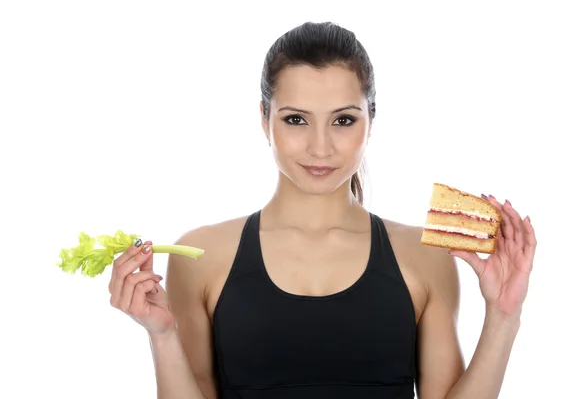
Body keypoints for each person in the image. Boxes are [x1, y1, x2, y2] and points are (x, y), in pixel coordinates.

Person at [107, 21, 537, 399]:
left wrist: (503, 316)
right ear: (264, 120)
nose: (320, 146)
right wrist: (162, 337)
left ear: (371, 120)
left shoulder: (424, 255)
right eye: (296, 119)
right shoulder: (200, 255)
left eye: (343, 120)